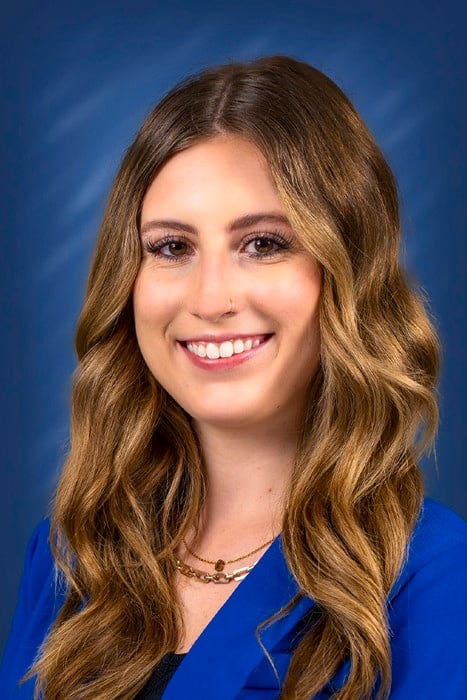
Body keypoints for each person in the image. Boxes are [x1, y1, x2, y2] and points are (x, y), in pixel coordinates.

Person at [1, 54, 466, 700]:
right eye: (171, 248)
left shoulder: (438, 577)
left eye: (263, 244)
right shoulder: (70, 557)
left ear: (346, 273)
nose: (210, 298)